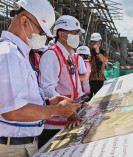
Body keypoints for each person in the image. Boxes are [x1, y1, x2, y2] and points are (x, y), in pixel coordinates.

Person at [0, 0, 82, 157]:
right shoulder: (9, 53)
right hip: (13, 148)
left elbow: (18, 99)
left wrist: (47, 101)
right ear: (24, 21)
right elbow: (12, 111)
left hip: (20, 144)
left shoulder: (17, 53)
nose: (43, 37)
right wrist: (57, 110)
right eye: (42, 32)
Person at [39, 15, 87, 148]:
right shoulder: (51, 55)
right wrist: (70, 111)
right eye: (74, 32)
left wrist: (80, 103)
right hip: (55, 125)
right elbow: (47, 88)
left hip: (69, 119)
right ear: (62, 34)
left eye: (77, 32)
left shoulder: (69, 55)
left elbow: (72, 83)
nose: (77, 35)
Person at [89, 33, 109, 99]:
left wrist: (98, 52)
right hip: (89, 80)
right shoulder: (89, 52)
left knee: (98, 99)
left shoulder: (103, 52)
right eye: (92, 42)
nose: (93, 43)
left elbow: (105, 61)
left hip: (99, 80)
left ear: (99, 42)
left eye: (95, 42)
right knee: (89, 99)